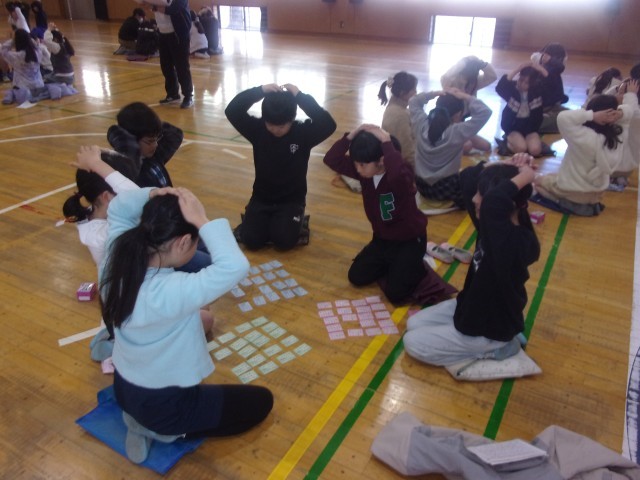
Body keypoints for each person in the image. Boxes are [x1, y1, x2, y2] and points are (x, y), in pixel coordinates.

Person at [98, 183, 273, 464]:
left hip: (125, 389)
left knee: (201, 318)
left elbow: (118, 208)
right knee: (261, 402)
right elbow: (235, 267)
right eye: (195, 241)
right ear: (182, 242)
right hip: (164, 406)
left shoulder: (116, 254)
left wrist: (153, 194)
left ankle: (140, 420)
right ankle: (164, 431)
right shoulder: (168, 291)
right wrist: (202, 220)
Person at [404, 155, 540, 367]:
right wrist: (504, 165)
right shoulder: (492, 225)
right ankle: (497, 339)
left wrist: (527, 176)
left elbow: (493, 202)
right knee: (413, 323)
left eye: (481, 195)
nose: (475, 199)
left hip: (488, 328)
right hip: (471, 307)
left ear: (503, 204)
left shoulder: (512, 242)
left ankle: (497, 348)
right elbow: (467, 177)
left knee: (412, 342)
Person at [323, 124, 455, 304]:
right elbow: (331, 159)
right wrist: (351, 136)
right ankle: (397, 265)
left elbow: (398, 176)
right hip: (382, 240)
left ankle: (414, 264)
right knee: (356, 277)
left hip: (409, 240)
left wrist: (386, 142)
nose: (358, 169)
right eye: (355, 163)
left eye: (362, 164)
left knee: (396, 294)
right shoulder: (364, 173)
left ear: (382, 161)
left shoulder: (400, 176)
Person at [225, 83, 336, 250]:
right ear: (264, 120)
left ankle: (296, 219)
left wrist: (300, 96)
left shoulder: (303, 133)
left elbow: (328, 124)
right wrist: (260, 90)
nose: (276, 130)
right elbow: (232, 110)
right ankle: (258, 218)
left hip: (291, 200)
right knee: (251, 240)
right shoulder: (258, 130)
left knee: (283, 241)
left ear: (292, 119)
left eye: (282, 126)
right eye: (270, 125)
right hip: (262, 198)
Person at [106, 102, 212, 272]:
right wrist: (122, 136)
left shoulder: (153, 156)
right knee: (206, 263)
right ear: (132, 141)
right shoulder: (128, 169)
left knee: (210, 246)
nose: (155, 145)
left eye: (157, 139)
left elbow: (175, 134)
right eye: (149, 141)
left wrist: (151, 126)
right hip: (162, 242)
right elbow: (130, 159)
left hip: (175, 224)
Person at [533, 84, 639, 216]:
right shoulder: (618, 135)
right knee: (552, 177)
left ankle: (562, 202)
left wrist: (592, 115)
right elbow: (629, 113)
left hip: (573, 192)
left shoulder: (582, 135)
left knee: (537, 181)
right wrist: (622, 110)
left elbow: (563, 118)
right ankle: (582, 205)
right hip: (596, 194)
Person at [409, 87, 491, 208]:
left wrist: (435, 93)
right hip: (445, 189)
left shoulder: (421, 122)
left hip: (422, 186)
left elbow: (413, 101)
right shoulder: (456, 131)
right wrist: (465, 96)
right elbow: (485, 112)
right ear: (458, 114)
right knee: (481, 172)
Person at [440, 55, 497, 154]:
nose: (469, 83)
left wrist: (482, 64)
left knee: (486, 145)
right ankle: (444, 146)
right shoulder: (452, 82)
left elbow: (492, 77)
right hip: (446, 124)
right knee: (467, 146)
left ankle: (454, 145)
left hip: (460, 123)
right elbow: (446, 76)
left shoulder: (475, 82)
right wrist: (463, 62)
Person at [495, 62, 547, 157]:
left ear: (533, 84)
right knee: (521, 149)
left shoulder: (537, 91)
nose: (522, 84)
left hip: (530, 128)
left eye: (527, 83)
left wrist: (541, 69)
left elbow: (551, 84)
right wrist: (518, 69)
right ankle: (507, 142)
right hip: (513, 127)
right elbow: (500, 87)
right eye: (521, 80)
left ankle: (526, 141)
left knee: (535, 151)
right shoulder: (512, 89)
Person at [151, 0, 194, 109]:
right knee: (166, 66)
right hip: (162, 32)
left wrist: (154, 6)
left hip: (178, 34)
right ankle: (173, 94)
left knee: (181, 66)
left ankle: (188, 95)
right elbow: (144, 4)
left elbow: (171, 9)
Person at [378, 71, 418, 168]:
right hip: (402, 167)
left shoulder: (398, 107)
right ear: (402, 93)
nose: (416, 92)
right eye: (413, 89)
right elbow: (406, 152)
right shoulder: (399, 116)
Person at [531, 43, 568, 134]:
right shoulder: (549, 71)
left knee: (573, 115)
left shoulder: (545, 68)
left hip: (546, 107)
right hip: (545, 108)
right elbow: (560, 67)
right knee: (570, 119)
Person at [1, 28, 43, 105]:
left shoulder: (17, 56)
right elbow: (36, 45)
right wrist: (28, 39)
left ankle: (11, 95)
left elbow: (3, 50)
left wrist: (13, 41)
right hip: (39, 87)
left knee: (12, 89)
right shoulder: (38, 52)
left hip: (24, 90)